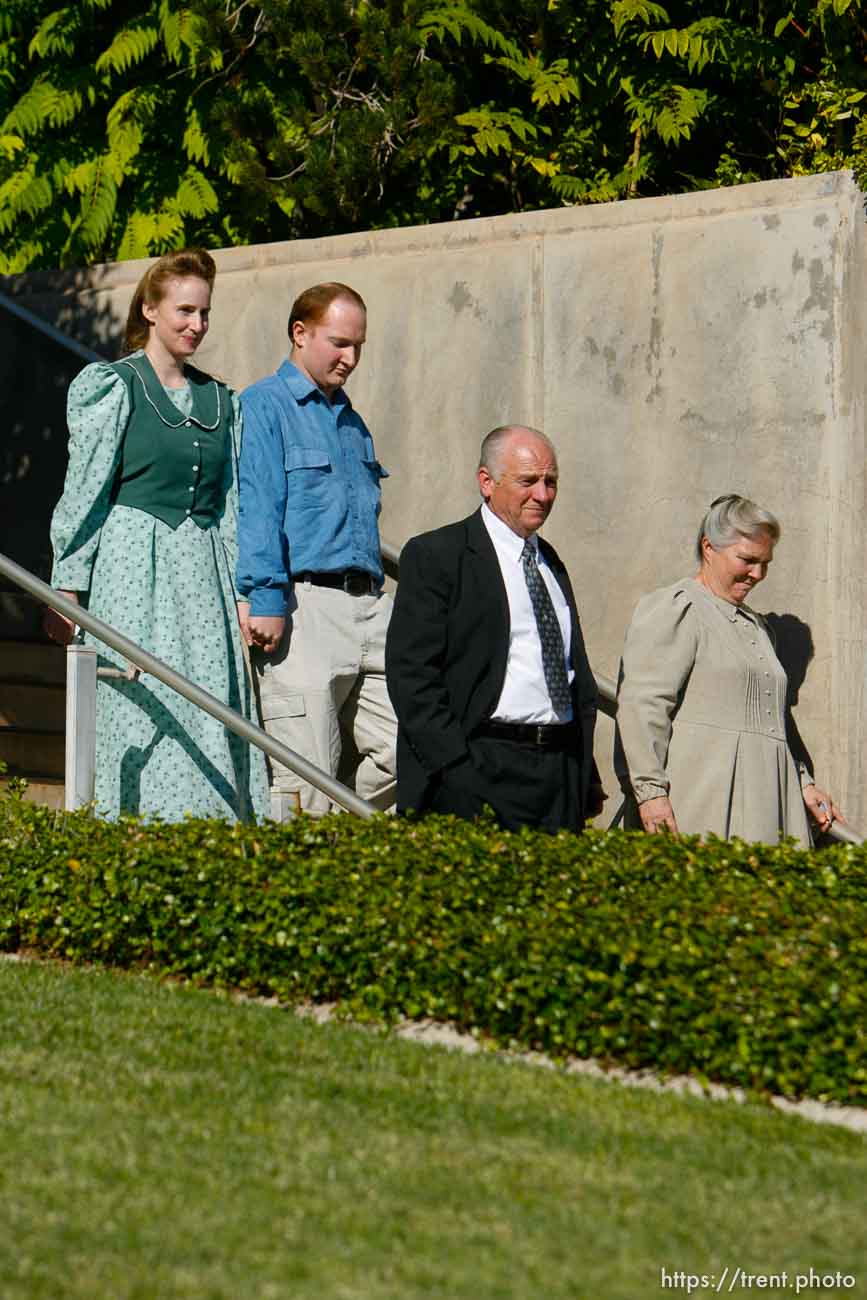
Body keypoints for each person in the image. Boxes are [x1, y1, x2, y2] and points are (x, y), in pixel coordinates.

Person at [45, 248, 269, 822]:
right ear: (149, 309)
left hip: (202, 574)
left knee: (209, 702)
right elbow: (85, 492)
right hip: (130, 568)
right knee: (141, 703)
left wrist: (244, 593)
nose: (197, 325)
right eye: (185, 311)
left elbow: (232, 506)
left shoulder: (222, 400)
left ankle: (210, 830)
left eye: (205, 313)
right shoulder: (113, 386)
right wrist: (66, 585)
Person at [385, 425, 605, 834]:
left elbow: (570, 670)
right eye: (528, 481)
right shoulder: (438, 555)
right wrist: (456, 769)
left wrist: (581, 770)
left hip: (556, 776)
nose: (543, 495)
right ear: (486, 482)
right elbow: (412, 675)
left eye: (550, 481)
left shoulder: (550, 562)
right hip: (478, 767)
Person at [237, 282, 397, 818]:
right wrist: (265, 598)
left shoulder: (352, 421)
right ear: (299, 333)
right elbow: (257, 507)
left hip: (371, 606)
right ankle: (302, 880)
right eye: (339, 343)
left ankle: (342, 838)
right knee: (306, 775)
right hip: (304, 610)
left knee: (410, 748)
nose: (350, 358)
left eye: (359, 346)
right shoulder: (263, 406)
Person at [614, 494, 843, 845]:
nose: (758, 574)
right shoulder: (678, 608)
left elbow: (772, 720)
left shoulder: (759, 628)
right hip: (702, 801)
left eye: (765, 563)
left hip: (770, 802)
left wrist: (804, 783)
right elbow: (643, 705)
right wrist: (650, 793)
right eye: (748, 560)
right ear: (709, 547)